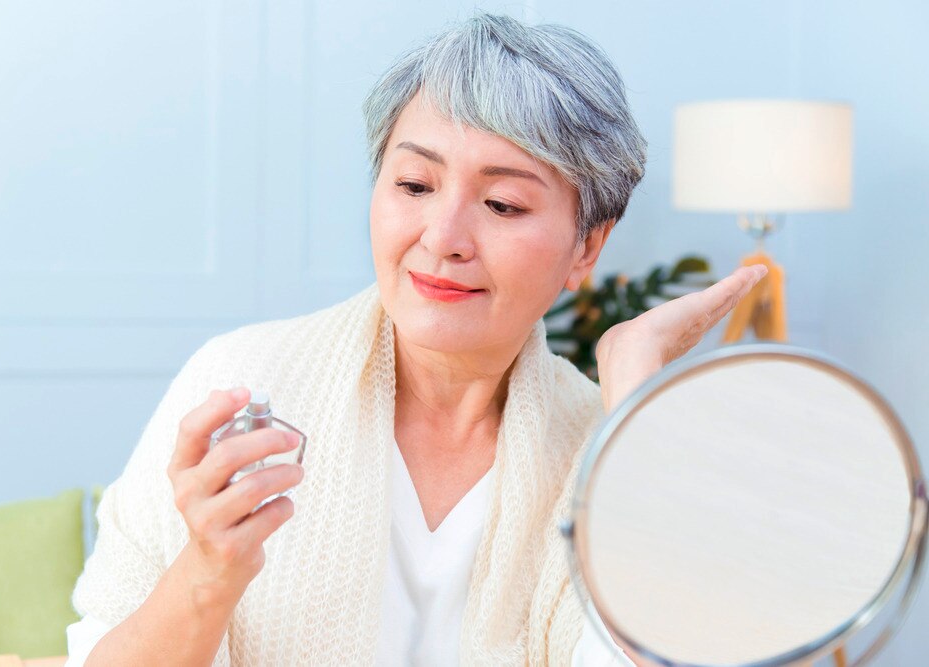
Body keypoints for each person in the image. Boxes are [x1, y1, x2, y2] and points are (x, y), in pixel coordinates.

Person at [66, 12, 766, 666]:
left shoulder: (600, 448)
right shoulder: (241, 385)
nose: (443, 237)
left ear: (587, 247)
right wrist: (208, 572)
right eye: (414, 184)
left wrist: (635, 392)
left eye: (502, 204)